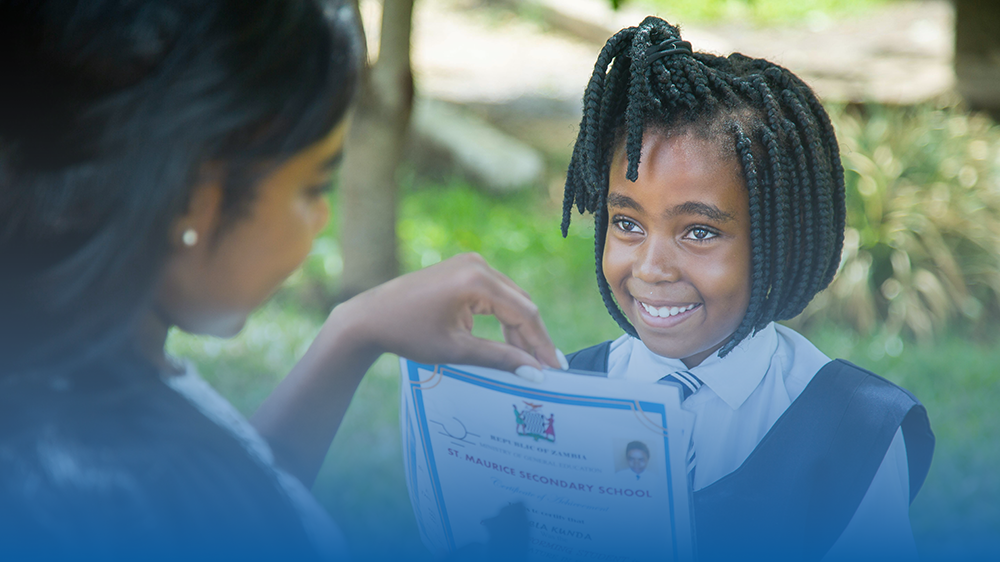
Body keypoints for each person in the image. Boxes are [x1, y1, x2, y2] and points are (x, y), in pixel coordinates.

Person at [0, 1, 563, 560]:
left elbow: (242, 502)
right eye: (312, 188)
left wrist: (355, 331)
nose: (320, 220)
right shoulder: (117, 486)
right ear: (196, 200)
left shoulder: (74, 377)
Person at [560, 16, 934, 562]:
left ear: (780, 242)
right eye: (628, 224)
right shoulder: (556, 396)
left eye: (700, 231)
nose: (652, 267)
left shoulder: (856, 431)